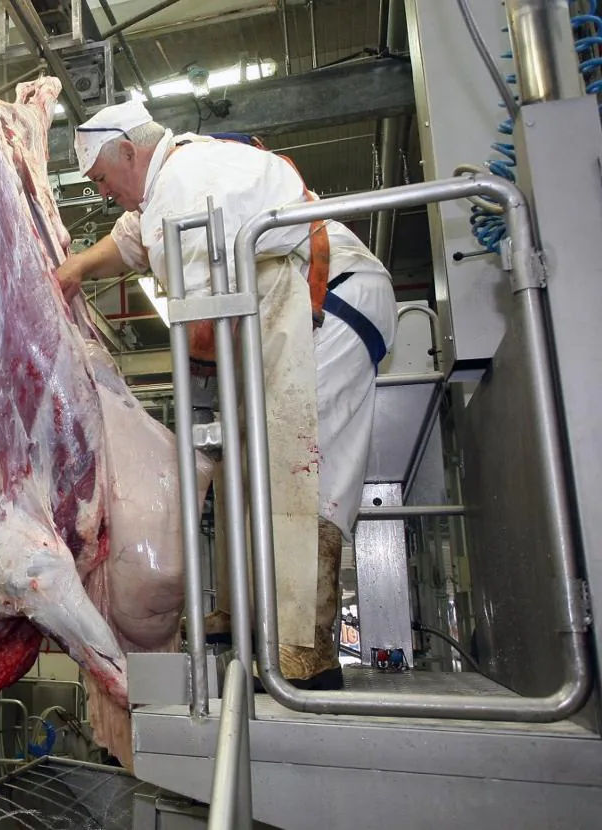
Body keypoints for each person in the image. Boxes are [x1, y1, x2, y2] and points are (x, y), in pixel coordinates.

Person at [58, 99, 397, 691]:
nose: (104, 193)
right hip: (294, 314)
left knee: (295, 470)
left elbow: (198, 318)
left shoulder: (188, 179)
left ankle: (302, 658)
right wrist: (76, 270)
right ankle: (246, 621)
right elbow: (133, 238)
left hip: (327, 303)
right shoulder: (174, 179)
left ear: (130, 153)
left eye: (102, 179)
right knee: (249, 469)